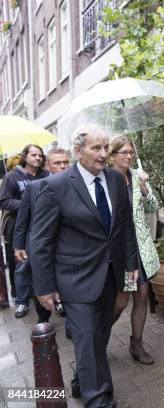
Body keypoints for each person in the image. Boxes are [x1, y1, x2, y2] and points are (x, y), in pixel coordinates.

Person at [30, 125, 139, 408]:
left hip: (110, 275)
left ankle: (81, 379)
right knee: (89, 338)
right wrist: (43, 288)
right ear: (77, 151)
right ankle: (100, 400)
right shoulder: (55, 187)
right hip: (74, 279)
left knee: (97, 337)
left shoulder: (115, 180)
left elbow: (125, 225)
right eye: (96, 148)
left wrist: (130, 262)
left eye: (106, 148)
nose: (104, 154)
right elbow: (40, 242)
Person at [108, 135, 160, 365]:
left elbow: (153, 207)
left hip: (140, 247)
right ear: (112, 156)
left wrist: (143, 186)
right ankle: (95, 338)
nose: (129, 156)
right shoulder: (106, 180)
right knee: (120, 301)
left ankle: (136, 344)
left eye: (131, 152)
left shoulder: (136, 177)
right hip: (118, 250)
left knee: (142, 296)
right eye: (123, 153)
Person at [13, 148, 70, 323]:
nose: (62, 166)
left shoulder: (77, 186)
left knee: (67, 283)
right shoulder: (34, 187)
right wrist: (18, 245)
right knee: (41, 282)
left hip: (66, 246)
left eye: (65, 162)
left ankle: (69, 320)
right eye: (57, 163)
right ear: (48, 165)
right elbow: (23, 219)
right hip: (40, 246)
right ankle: (43, 319)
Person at [0, 145, 50, 318]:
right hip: (21, 227)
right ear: (25, 157)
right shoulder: (12, 177)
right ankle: (21, 302)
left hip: (43, 226)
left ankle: (53, 300)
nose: (37, 158)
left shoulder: (46, 175)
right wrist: (26, 204)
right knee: (22, 266)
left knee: (46, 264)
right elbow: (4, 201)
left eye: (40, 155)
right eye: (33, 155)